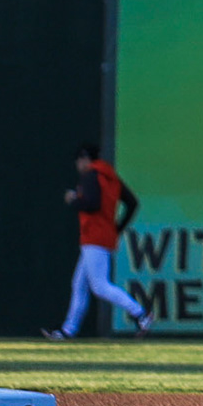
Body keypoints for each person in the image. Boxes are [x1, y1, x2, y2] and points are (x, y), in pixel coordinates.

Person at [44, 144, 154, 340]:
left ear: (85, 159)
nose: (78, 164)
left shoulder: (91, 175)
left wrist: (74, 199)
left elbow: (92, 204)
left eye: (79, 160)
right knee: (79, 284)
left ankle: (141, 314)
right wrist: (116, 229)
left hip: (94, 237)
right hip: (102, 236)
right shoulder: (110, 176)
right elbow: (132, 203)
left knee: (100, 286)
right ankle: (68, 331)